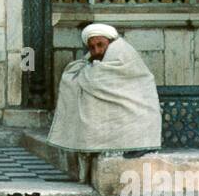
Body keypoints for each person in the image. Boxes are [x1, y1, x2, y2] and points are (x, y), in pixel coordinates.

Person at [47, 23, 161, 163]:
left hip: (138, 116)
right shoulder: (96, 57)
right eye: (92, 47)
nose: (97, 51)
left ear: (111, 42)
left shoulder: (122, 53)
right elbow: (82, 74)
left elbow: (95, 79)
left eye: (101, 45)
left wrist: (86, 73)